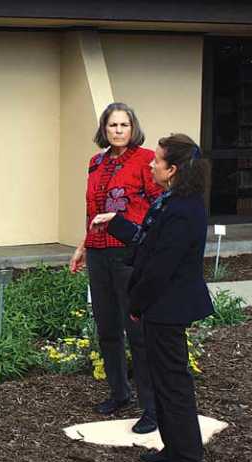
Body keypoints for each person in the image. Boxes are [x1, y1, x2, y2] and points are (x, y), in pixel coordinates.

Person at [90, 133, 213, 462]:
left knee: (174, 385)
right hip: (160, 306)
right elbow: (146, 240)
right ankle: (173, 448)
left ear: (172, 170)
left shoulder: (182, 210)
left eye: (157, 161)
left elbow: (160, 266)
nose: (151, 164)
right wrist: (114, 221)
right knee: (163, 381)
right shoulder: (170, 201)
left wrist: (136, 305)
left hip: (168, 308)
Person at [69, 102, 160, 434]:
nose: (118, 130)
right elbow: (92, 210)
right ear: (104, 129)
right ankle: (119, 392)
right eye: (113, 125)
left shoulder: (146, 160)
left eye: (124, 125)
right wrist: (82, 247)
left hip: (130, 254)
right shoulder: (95, 163)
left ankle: (151, 407)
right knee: (107, 327)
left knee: (137, 331)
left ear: (132, 127)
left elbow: (158, 206)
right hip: (98, 253)